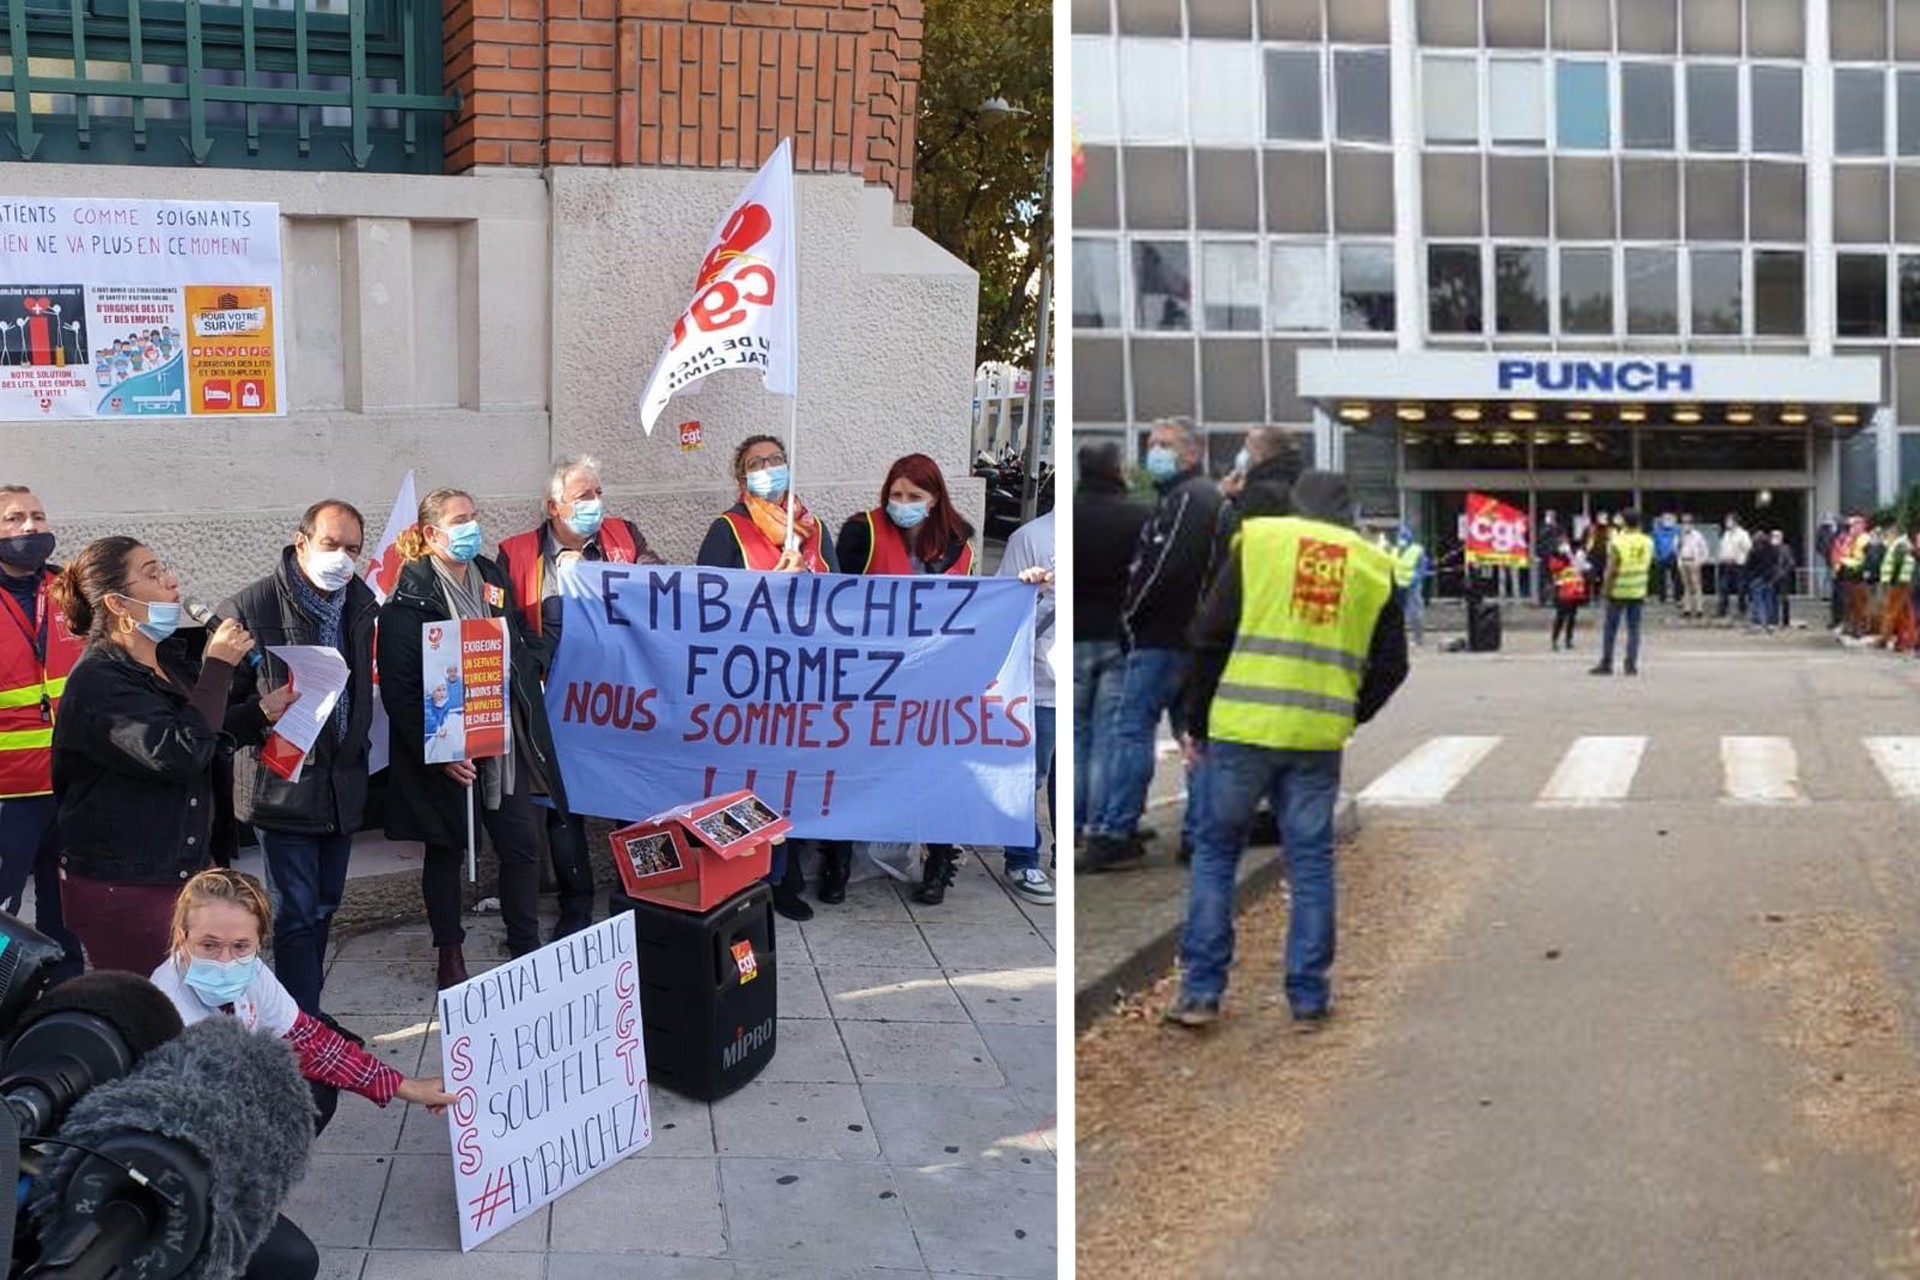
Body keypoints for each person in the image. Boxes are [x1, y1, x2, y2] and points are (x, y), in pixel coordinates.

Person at [1165, 471, 1408, 1028]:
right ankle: (1308, 996)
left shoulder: (1260, 542)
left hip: (1241, 729)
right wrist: (1349, 710)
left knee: (1216, 854)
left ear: (1297, 504)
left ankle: (1201, 993)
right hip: (1317, 738)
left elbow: (1209, 634)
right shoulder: (1374, 566)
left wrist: (1195, 722)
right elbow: (1393, 666)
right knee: (1311, 861)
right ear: (1348, 513)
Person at [152, 867, 455, 1280]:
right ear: (181, 937)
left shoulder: (252, 973)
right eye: (209, 945)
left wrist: (406, 1087)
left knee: (316, 1089)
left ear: (259, 943)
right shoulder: (165, 1009)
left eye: (241, 946)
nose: (226, 961)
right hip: (181, 1171)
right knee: (294, 1263)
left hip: (237, 1134)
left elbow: (310, 1041)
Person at [49, 537, 286, 972]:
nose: (171, 581)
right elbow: (178, 753)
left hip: (185, 868)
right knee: (150, 1011)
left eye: (166, 569)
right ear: (118, 605)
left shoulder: (166, 660)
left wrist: (258, 712)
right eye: (152, 574)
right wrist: (218, 666)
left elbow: (196, 727)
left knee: (202, 1005)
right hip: (128, 881)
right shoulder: (99, 681)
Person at [377, 487, 569, 989]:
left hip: (504, 739)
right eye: (460, 520)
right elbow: (399, 690)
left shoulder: (491, 577)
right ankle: (449, 953)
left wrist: (533, 664)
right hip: (445, 747)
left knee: (521, 846)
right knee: (445, 853)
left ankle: (524, 942)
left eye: (473, 516)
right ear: (430, 534)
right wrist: (437, 752)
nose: (471, 528)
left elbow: (520, 632)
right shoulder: (407, 601)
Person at [214, 500, 377, 1018]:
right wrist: (264, 710)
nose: (342, 558)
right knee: (297, 915)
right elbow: (215, 710)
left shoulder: (361, 603)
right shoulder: (249, 609)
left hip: (342, 782)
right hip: (282, 786)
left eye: (353, 548)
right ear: (301, 540)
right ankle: (298, 1024)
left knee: (325, 906)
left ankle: (303, 1011)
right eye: (331, 545)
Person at [497, 456, 665, 943]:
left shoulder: (623, 538)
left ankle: (643, 896)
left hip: (622, 699)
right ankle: (576, 904)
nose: (595, 504)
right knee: (562, 808)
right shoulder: (517, 554)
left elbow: (659, 588)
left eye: (597, 493)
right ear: (553, 506)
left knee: (632, 801)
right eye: (583, 496)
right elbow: (508, 626)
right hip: (557, 707)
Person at [696, 436, 838, 921]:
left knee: (794, 779)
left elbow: (841, 602)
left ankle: (787, 879)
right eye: (756, 464)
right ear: (741, 480)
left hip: (805, 681)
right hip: (749, 684)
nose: (767, 469)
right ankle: (746, 879)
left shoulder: (814, 530)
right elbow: (704, 606)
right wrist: (770, 588)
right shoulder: (728, 530)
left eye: (775, 461)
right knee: (748, 783)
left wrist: (810, 581)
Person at [836, 453, 975, 907]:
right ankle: (837, 861)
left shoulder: (960, 546)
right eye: (895, 495)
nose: (903, 503)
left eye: (914, 496)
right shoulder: (863, 532)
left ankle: (939, 863)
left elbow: (974, 608)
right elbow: (837, 601)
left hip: (933, 680)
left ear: (934, 499)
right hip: (871, 676)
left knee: (937, 772)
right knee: (855, 767)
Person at [1084, 418, 1221, 872]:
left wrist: (1130, 617)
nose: (1153, 453)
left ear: (1191, 452)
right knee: (1194, 735)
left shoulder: (1189, 499)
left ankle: (1114, 830)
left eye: (1163, 445)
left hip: (1163, 637)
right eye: (1151, 445)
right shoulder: (1189, 497)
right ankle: (1197, 835)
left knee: (1130, 731)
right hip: (1186, 638)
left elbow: (1164, 568)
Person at [0, 487, 84, 981]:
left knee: (67, 916)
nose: (30, 527)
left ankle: (66, 1004)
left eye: (38, 516)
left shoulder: (68, 592)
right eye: (14, 519)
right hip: (9, 796)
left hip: (71, 788)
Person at [1074, 442, 1148, 852]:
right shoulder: (1137, 517)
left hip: (1072, 638)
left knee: (1075, 735)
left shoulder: (1071, 516)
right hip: (1118, 636)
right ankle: (1100, 821)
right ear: (1117, 469)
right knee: (1107, 736)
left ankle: (1072, 823)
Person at [995, 507, 1058, 904]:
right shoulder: (1031, 538)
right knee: (1027, 776)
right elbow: (1002, 607)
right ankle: (1022, 857)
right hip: (1039, 685)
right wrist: (1029, 591)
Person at [1591, 509, 1654, 676]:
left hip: (1618, 591)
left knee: (1610, 629)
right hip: (1638, 589)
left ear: (1624, 522)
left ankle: (1607, 663)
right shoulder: (1648, 541)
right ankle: (1631, 664)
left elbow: (1611, 569)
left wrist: (1605, 589)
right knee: (1634, 629)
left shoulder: (1618, 541)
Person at [1548, 537, 1588, 651]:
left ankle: (1568, 640)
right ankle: (1555, 641)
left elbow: (1580, 568)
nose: (1564, 546)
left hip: (1575, 591)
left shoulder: (1576, 556)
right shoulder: (1556, 557)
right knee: (1560, 617)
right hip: (1562, 591)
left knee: (1572, 617)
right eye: (1561, 544)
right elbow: (1555, 568)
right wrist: (1566, 557)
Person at [1391, 525, 1428, 648]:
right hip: (1398, 586)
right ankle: (1398, 639)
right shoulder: (1394, 550)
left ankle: (1418, 639)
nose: (1401, 540)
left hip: (1413, 586)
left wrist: (1417, 577)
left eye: (1404, 537)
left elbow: (1423, 567)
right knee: (1397, 614)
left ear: (1410, 538)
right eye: (1400, 537)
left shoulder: (1417, 550)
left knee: (1415, 613)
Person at [1716, 513, 1752, 621]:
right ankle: (1722, 611)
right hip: (1727, 564)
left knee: (1741, 589)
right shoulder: (1726, 534)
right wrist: (1722, 557)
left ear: (1735, 522)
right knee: (1723, 588)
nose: (1727, 523)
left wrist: (1738, 557)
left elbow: (1748, 548)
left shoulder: (1743, 534)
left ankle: (1742, 610)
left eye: (1729, 521)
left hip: (1739, 565)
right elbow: (1722, 548)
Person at [1745, 528, 1779, 633]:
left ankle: (1758, 624)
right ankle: (1770, 624)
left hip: (1757, 578)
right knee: (1769, 601)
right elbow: (1775, 562)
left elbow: (1749, 565)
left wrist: (1749, 576)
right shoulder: (1772, 549)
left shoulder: (1754, 550)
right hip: (1769, 578)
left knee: (1757, 602)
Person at [1677, 515, 1710, 620]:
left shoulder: (1697, 535)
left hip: (1694, 562)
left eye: (1688, 522)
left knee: (1697, 586)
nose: (1686, 525)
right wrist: (1680, 540)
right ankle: (1687, 610)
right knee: (1686, 587)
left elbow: (1705, 549)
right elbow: (1676, 549)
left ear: (1692, 524)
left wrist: (1700, 562)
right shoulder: (1679, 535)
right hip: (1683, 562)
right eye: (1684, 522)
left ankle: (1699, 609)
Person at [1652, 513, 1680, 605]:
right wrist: (1655, 555)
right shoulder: (1657, 531)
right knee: (1661, 579)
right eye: (1665, 519)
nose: (1668, 521)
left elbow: (1680, 543)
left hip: (1673, 556)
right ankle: (1662, 597)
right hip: (1660, 557)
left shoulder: (1677, 530)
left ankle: (1677, 597)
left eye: (1670, 519)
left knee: (1676, 578)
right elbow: (1654, 544)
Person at [1771, 531, 1796, 631]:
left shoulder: (1786, 548)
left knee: (1784, 599)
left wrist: (1783, 573)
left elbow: (1791, 563)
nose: (1774, 538)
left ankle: (1785, 621)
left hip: (1783, 578)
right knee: (1773, 600)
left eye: (1777, 536)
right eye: (1773, 536)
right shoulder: (1770, 549)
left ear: (1781, 538)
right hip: (1772, 577)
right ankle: (1774, 620)